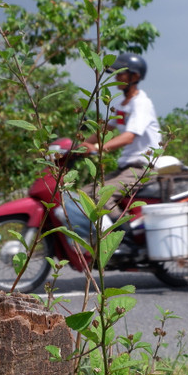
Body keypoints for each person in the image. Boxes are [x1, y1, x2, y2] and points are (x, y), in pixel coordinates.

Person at [68, 52, 162, 239]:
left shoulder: (141, 103)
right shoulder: (121, 103)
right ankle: (100, 237)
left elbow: (128, 137)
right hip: (126, 167)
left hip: (143, 167)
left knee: (100, 196)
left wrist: (96, 149)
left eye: (120, 74)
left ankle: (126, 238)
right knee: (84, 194)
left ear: (134, 77)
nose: (116, 77)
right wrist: (81, 145)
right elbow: (105, 129)